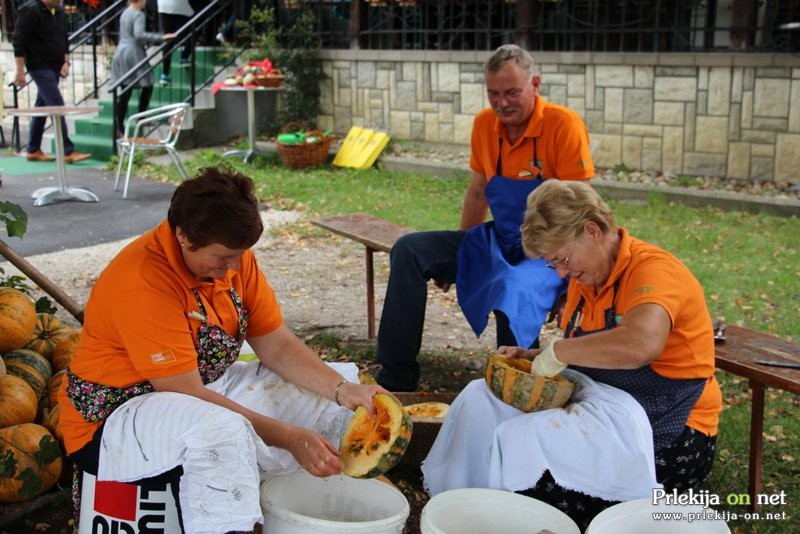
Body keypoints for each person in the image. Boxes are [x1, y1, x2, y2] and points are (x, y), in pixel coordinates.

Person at [58, 166, 389, 534]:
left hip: (194, 390)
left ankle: (322, 505)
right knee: (223, 431)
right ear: (183, 236)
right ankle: (232, 526)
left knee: (333, 388)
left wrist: (344, 391)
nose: (233, 268)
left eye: (239, 256)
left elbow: (276, 345)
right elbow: (183, 392)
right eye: (223, 258)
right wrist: (289, 437)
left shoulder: (234, 256)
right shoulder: (143, 281)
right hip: (113, 415)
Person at [422, 179, 722, 530]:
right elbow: (586, 355)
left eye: (562, 259)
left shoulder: (653, 271)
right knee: (480, 400)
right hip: (606, 409)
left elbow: (641, 343)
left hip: (672, 433)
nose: (562, 273)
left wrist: (558, 350)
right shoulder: (585, 277)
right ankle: (462, 505)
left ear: (593, 230)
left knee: (527, 455)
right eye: (553, 265)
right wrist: (533, 356)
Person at [374, 44, 594, 391]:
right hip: (500, 239)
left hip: (548, 254)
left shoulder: (563, 125)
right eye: (493, 94)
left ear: (535, 84)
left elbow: (583, 211)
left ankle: (512, 384)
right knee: (409, 250)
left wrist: (575, 283)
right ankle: (395, 378)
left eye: (511, 93)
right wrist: (467, 254)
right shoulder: (484, 125)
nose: (502, 103)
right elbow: (478, 192)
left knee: (514, 286)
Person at [12, 0, 91, 163]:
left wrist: (66, 61)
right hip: (38, 65)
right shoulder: (31, 10)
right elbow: (18, 40)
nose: (59, 1)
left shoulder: (59, 11)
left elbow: (64, 38)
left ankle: (33, 149)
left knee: (42, 105)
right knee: (56, 105)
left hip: (55, 65)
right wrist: (20, 71)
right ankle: (67, 150)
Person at [111, 0, 176, 138]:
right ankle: (141, 117)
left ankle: (120, 125)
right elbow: (139, 35)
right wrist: (161, 37)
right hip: (133, 52)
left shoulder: (125, 12)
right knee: (148, 82)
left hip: (121, 50)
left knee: (126, 88)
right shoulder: (138, 14)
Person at [156, 0, 194, 86]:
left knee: (169, 37)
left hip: (163, 5)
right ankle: (185, 56)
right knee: (197, 23)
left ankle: (165, 74)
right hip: (180, 4)